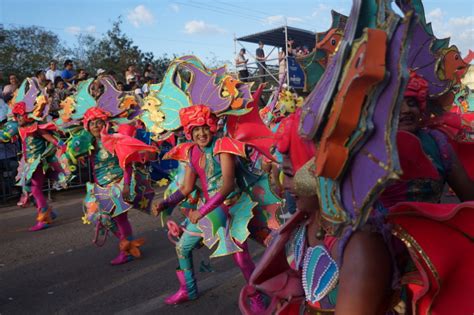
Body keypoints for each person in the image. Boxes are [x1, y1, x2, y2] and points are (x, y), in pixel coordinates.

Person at [152, 105, 265, 310]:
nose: (201, 133)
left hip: (232, 209)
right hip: (208, 211)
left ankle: (257, 296)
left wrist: (202, 211)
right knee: (183, 247)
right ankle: (188, 289)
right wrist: (166, 203)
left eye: (204, 127)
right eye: (196, 129)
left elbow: (228, 184)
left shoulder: (222, 146)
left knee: (241, 257)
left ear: (212, 127)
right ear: (190, 132)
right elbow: (186, 187)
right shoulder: (191, 152)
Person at [79, 107, 156, 265]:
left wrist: (126, 185)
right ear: (87, 126)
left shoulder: (114, 139)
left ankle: (126, 249)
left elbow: (126, 163)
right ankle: (127, 242)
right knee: (98, 216)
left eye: (98, 122)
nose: (95, 126)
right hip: (101, 185)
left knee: (119, 218)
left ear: (105, 124)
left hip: (118, 183)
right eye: (92, 123)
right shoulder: (90, 143)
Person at [12, 101, 67, 231]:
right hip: (28, 165)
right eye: (17, 116)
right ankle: (48, 212)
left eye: (21, 115)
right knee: (28, 189)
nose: (18, 118)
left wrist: (63, 147)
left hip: (38, 164)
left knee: (36, 189)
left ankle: (44, 218)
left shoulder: (36, 128)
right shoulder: (21, 129)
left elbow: (52, 139)